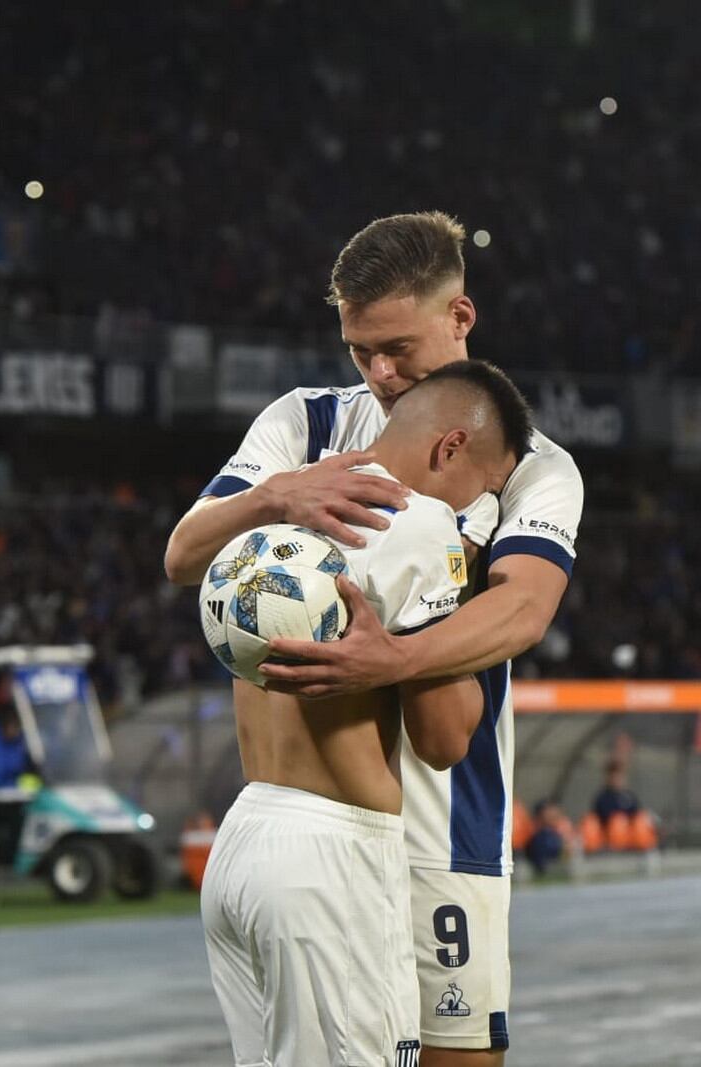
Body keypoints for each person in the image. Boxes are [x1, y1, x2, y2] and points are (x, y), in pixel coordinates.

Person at [168, 211, 583, 1064]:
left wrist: (394, 658)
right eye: (361, 350)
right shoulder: (304, 426)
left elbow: (525, 607)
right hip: (330, 817)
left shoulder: (528, 463)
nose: (381, 372)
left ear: (459, 315)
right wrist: (276, 495)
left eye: (397, 346)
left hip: (444, 825)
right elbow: (184, 552)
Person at [199, 361, 531, 1067]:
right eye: (488, 484)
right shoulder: (422, 521)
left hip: (244, 840)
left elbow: (184, 552)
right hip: (332, 854)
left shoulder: (289, 500)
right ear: (450, 449)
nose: (484, 502)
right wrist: (458, 575)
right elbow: (442, 739)